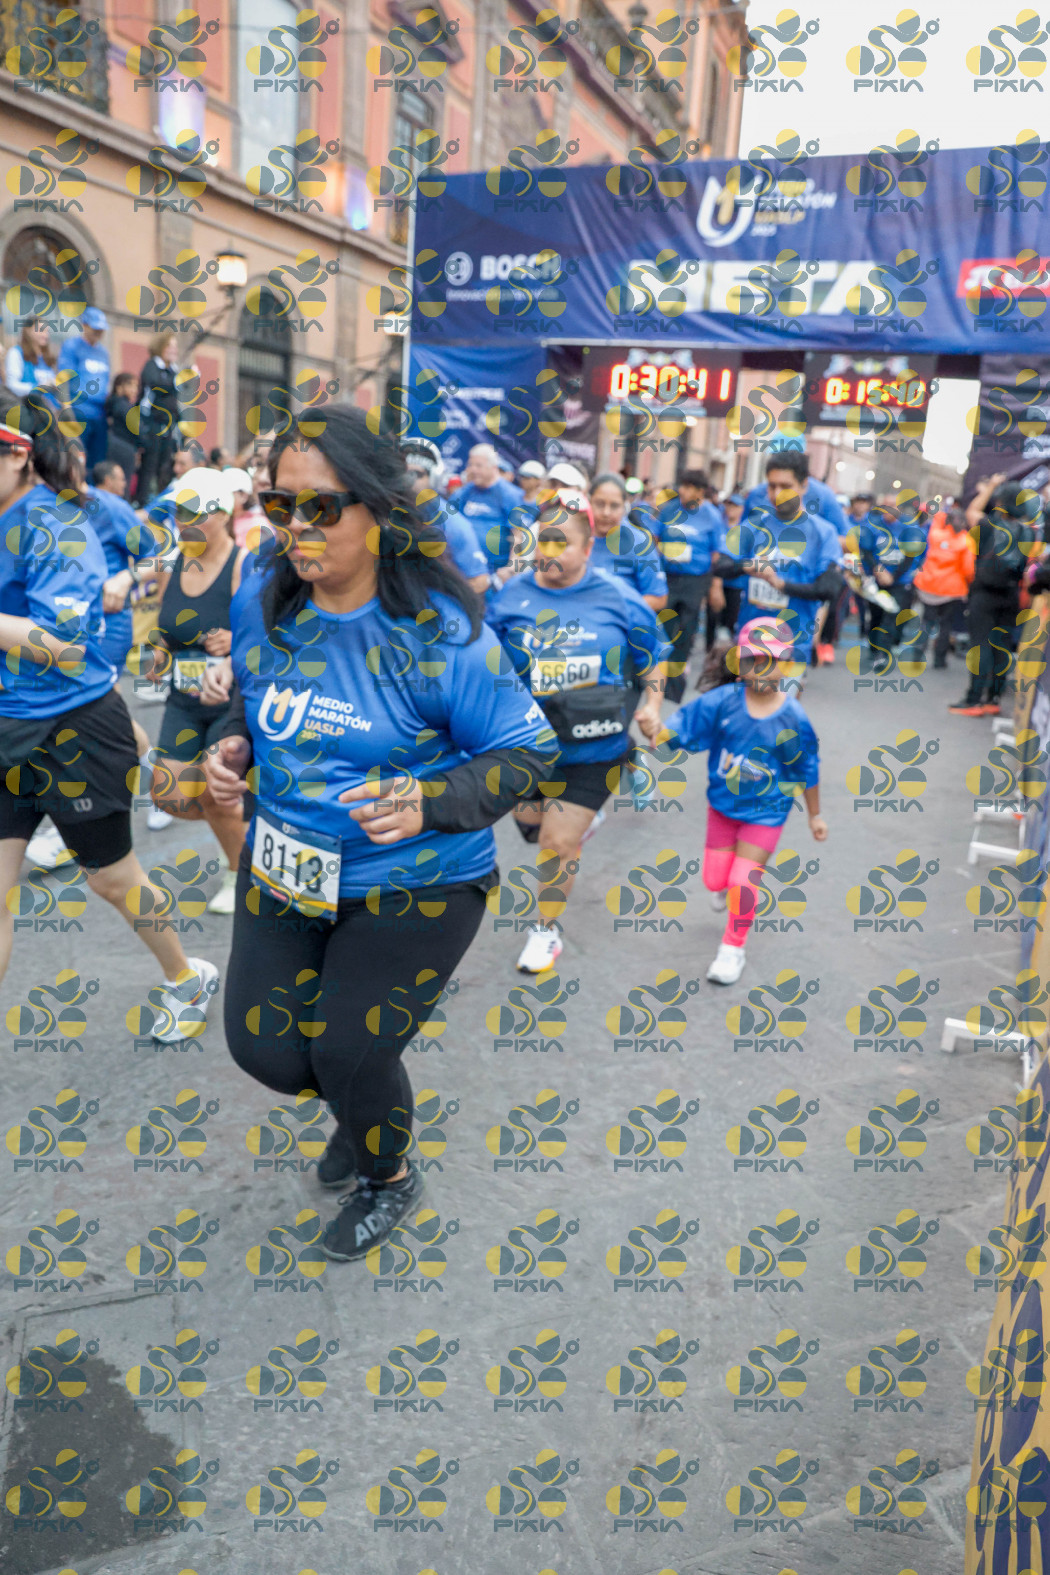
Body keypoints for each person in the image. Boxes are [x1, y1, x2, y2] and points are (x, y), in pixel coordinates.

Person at [200, 405, 555, 1262]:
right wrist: (236, 743)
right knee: (269, 1051)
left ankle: (386, 1175)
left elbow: (528, 752)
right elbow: (262, 697)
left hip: (417, 882)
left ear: (379, 508)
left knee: (350, 1050)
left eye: (321, 507)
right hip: (285, 868)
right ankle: (360, 1106)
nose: (295, 526)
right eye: (278, 504)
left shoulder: (440, 632)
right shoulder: (263, 601)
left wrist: (432, 800)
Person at [0, 417, 218, 1034]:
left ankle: (185, 977)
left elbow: (66, 646)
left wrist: (127, 577)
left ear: (18, 455)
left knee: (114, 881)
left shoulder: (67, 518)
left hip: (76, 724)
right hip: (8, 725)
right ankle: (141, 759)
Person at [487, 493, 667, 973]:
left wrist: (652, 705)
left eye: (561, 542)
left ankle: (544, 931)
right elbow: (483, 660)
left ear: (588, 549)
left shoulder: (619, 597)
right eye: (542, 540)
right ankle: (579, 822)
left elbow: (653, 655)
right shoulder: (510, 597)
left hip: (593, 748)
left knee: (556, 843)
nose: (548, 551)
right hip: (525, 745)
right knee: (532, 827)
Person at [640, 616, 825, 986]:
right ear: (738, 662)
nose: (762, 668)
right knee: (715, 881)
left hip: (768, 811)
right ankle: (727, 890)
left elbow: (808, 767)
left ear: (787, 665)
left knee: (743, 881)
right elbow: (676, 735)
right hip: (722, 808)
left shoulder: (793, 717)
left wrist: (815, 816)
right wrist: (655, 732)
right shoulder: (721, 703)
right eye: (753, 659)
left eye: (772, 660)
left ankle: (732, 948)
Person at [148, 466, 250, 914]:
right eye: (179, 512)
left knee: (215, 793)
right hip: (183, 698)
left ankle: (239, 872)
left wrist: (235, 646)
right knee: (168, 794)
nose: (184, 521)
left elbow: (269, 634)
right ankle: (244, 828)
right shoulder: (172, 565)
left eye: (195, 512)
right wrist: (157, 653)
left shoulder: (243, 564)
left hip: (230, 703)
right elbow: (164, 627)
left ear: (224, 514)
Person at [711, 451, 844, 675]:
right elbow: (720, 565)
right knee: (748, 697)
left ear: (804, 485)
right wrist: (745, 566)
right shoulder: (754, 526)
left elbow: (829, 589)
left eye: (786, 486)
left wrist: (780, 585)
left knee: (780, 698)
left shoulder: (823, 533)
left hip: (793, 646)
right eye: (772, 486)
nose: (777, 494)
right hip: (751, 640)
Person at [950, 475, 1042, 716]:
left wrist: (989, 486)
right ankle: (993, 699)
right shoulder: (1028, 533)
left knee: (980, 646)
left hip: (985, 593)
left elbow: (972, 511)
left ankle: (974, 699)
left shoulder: (989, 525)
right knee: (1001, 647)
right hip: (1011, 594)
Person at [657, 468, 724, 703]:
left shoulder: (712, 516)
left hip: (696, 580)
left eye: (688, 487)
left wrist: (714, 585)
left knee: (686, 630)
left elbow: (716, 553)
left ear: (700, 491)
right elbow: (655, 539)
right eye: (682, 485)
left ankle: (674, 686)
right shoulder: (669, 510)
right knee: (665, 627)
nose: (682, 491)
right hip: (669, 578)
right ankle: (658, 676)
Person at [401, 438, 489, 596]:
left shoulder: (452, 523)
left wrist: (438, 602)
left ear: (434, 478)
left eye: (417, 474)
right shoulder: (379, 511)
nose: (409, 481)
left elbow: (479, 581)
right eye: (403, 474)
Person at [858, 495, 928, 672]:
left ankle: (883, 654)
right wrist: (878, 569)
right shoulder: (872, 525)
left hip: (899, 580)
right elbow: (865, 550)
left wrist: (894, 577)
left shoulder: (909, 527)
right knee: (876, 615)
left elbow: (911, 555)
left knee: (891, 615)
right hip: (876, 578)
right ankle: (873, 649)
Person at [588, 472, 667, 611]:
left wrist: (616, 610)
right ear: (589, 502)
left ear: (625, 507)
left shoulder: (640, 543)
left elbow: (658, 597)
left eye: (614, 506)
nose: (606, 512)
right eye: (599, 504)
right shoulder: (576, 537)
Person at [913, 506, 975, 668]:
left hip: (929, 584)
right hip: (951, 589)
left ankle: (917, 654)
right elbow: (968, 569)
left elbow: (937, 519)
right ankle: (939, 659)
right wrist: (968, 583)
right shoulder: (966, 540)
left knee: (927, 621)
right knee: (946, 624)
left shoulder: (936, 534)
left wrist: (945, 513)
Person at [456, 442, 525, 582]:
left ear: (493, 467)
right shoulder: (464, 493)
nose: (472, 470)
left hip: (495, 573)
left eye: (478, 466)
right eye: (470, 465)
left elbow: (518, 535)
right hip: (465, 568)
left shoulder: (509, 494)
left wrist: (511, 567)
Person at [57, 307, 110, 469]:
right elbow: (63, 380)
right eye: (95, 328)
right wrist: (66, 409)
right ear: (84, 325)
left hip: (99, 415)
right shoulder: (72, 346)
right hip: (78, 411)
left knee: (97, 462)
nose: (98, 333)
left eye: (101, 329)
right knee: (77, 460)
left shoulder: (103, 353)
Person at [136, 331, 181, 507]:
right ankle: (142, 502)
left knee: (165, 466)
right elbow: (155, 386)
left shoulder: (173, 370)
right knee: (149, 466)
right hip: (152, 424)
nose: (173, 350)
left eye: (175, 346)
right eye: (170, 346)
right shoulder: (152, 366)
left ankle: (162, 502)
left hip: (168, 426)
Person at [707, 493, 744, 650]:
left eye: (734, 505)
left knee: (731, 621)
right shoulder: (719, 526)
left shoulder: (745, 530)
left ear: (742, 508)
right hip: (716, 580)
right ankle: (709, 650)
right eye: (728, 505)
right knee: (712, 618)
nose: (730, 509)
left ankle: (727, 654)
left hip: (736, 584)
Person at [4, 317, 57, 400]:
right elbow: (11, 385)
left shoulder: (46, 357)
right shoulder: (16, 353)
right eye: (41, 330)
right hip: (28, 405)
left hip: (50, 406)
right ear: (28, 331)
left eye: (47, 331)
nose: (45, 335)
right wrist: (37, 388)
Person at [105, 371, 140, 489]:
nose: (134, 390)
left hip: (117, 447)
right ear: (119, 387)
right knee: (122, 485)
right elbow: (137, 428)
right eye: (130, 385)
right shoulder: (122, 405)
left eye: (136, 386)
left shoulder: (115, 403)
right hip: (123, 449)